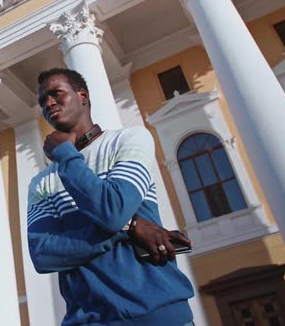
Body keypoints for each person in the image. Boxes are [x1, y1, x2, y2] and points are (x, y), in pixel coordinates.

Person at [27, 68, 195, 325]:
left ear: (82, 96)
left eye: (55, 94)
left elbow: (112, 210)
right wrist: (133, 226)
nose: (48, 103)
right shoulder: (41, 182)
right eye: (42, 101)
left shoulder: (129, 139)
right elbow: (43, 254)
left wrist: (65, 154)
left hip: (158, 314)